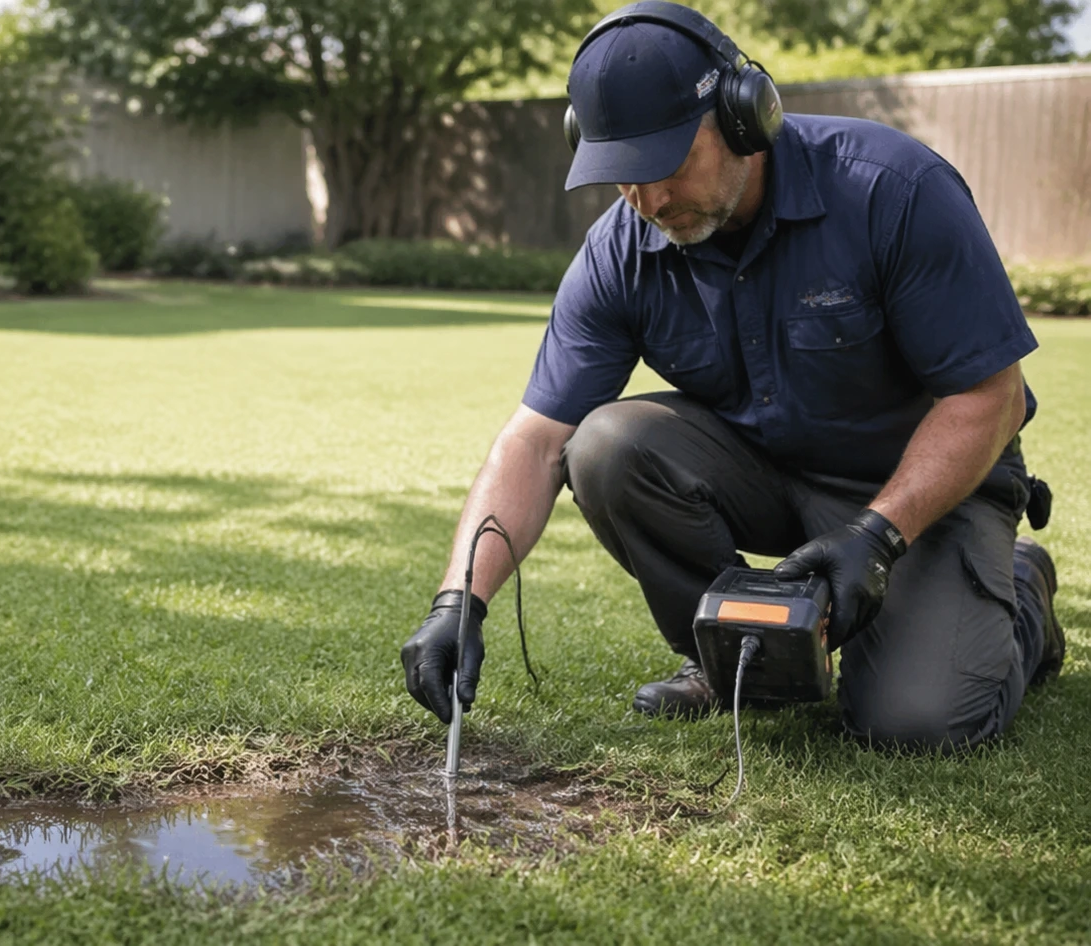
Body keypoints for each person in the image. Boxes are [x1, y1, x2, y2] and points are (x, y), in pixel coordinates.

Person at [399, 1, 1066, 753]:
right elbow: (536, 440)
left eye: (666, 166)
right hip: (764, 474)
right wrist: (461, 597)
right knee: (604, 443)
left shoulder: (893, 190)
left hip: (924, 489)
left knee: (916, 726)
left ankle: (1022, 595)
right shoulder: (620, 248)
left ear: (746, 118)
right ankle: (733, 660)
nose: (647, 202)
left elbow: (990, 396)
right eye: (622, 177)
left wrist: (876, 537)